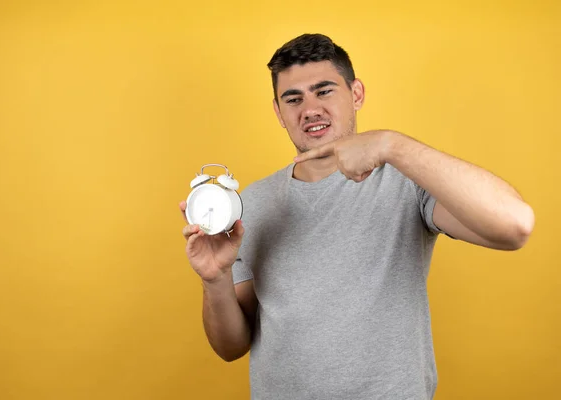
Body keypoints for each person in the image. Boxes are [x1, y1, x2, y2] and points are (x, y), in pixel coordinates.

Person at [179, 33, 534, 400]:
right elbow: (230, 348)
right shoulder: (250, 203)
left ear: (357, 94)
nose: (310, 109)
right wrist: (215, 279)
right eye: (293, 98)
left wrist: (390, 144)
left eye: (325, 91)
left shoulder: (407, 181)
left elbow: (515, 225)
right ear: (279, 112)